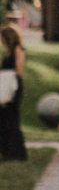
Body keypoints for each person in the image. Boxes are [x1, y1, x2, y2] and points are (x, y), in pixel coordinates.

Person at [0, 23, 27, 161]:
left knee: (12, 119)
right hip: (5, 86)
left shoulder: (18, 49)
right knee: (4, 119)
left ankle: (17, 152)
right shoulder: (8, 52)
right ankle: (6, 151)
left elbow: (18, 70)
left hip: (13, 87)